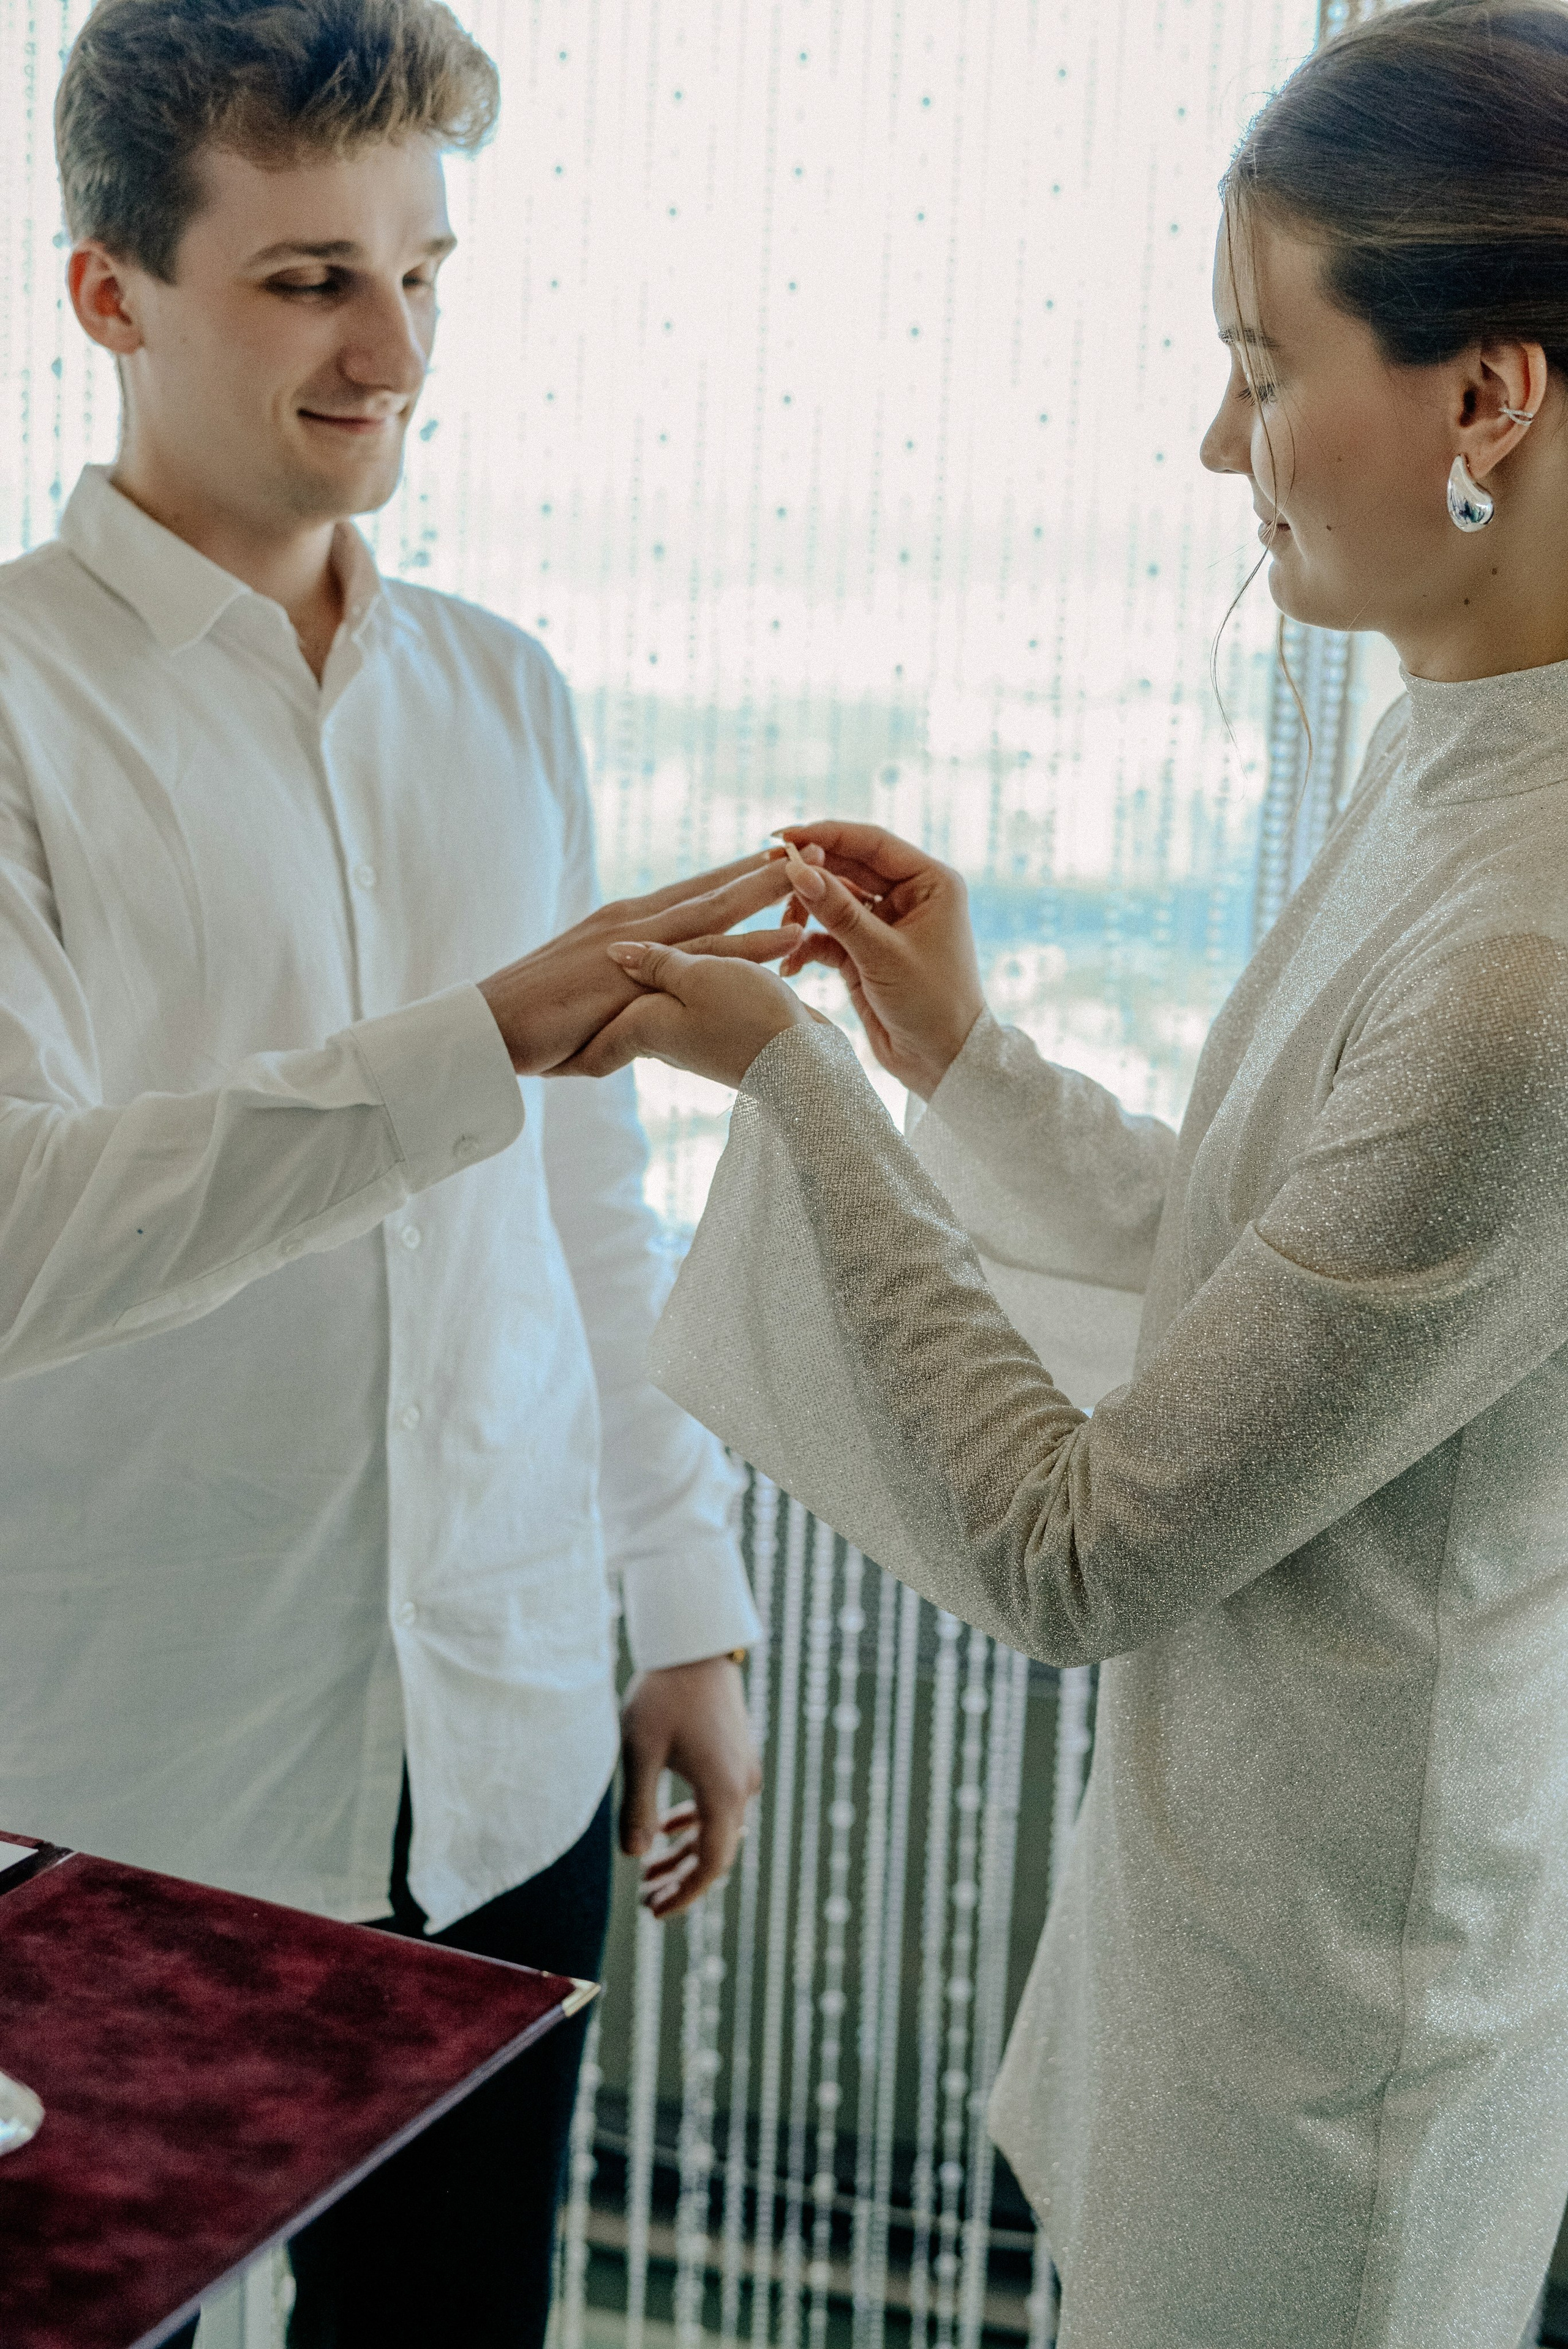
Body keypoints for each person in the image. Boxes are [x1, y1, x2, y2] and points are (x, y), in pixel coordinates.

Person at [567, 4, 1568, 2341]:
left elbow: (1085, 1545)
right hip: (1231, 1942)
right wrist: (956, 1054)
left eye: (1255, 356)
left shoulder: (1531, 961)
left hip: (1342, 2044)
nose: (1216, 434)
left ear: (1485, 400)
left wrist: (787, 1085)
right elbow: (1268, 1285)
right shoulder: (1455, 771)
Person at [0, 4, 805, 2342]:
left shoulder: (503, 692)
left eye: (425, 271)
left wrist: (680, 1603)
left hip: (507, 1752)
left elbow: (580, 1212)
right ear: (107, 294)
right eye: (309, 279)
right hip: (129, 1781)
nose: (394, 348)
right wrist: (477, 1039)